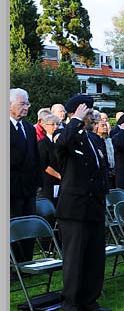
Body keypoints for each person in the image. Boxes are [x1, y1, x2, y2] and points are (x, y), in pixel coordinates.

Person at [55, 95, 111, 311]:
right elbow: (61, 146)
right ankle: (70, 304)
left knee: (95, 257)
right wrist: (74, 120)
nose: (92, 116)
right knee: (74, 258)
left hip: (94, 206)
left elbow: (102, 168)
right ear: (76, 113)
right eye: (88, 112)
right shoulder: (66, 135)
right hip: (74, 208)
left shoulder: (93, 139)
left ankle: (89, 299)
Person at [10, 88, 41, 263]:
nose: (26, 107)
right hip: (11, 188)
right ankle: (13, 265)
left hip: (29, 188)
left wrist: (37, 182)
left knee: (28, 224)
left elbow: (35, 157)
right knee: (13, 227)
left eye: (27, 103)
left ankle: (26, 262)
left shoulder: (29, 128)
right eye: (22, 103)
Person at [37, 114, 62, 204]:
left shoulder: (62, 142)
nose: (56, 127)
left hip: (63, 182)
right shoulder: (42, 143)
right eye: (53, 124)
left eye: (58, 124)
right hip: (49, 182)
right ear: (45, 126)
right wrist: (59, 176)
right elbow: (44, 164)